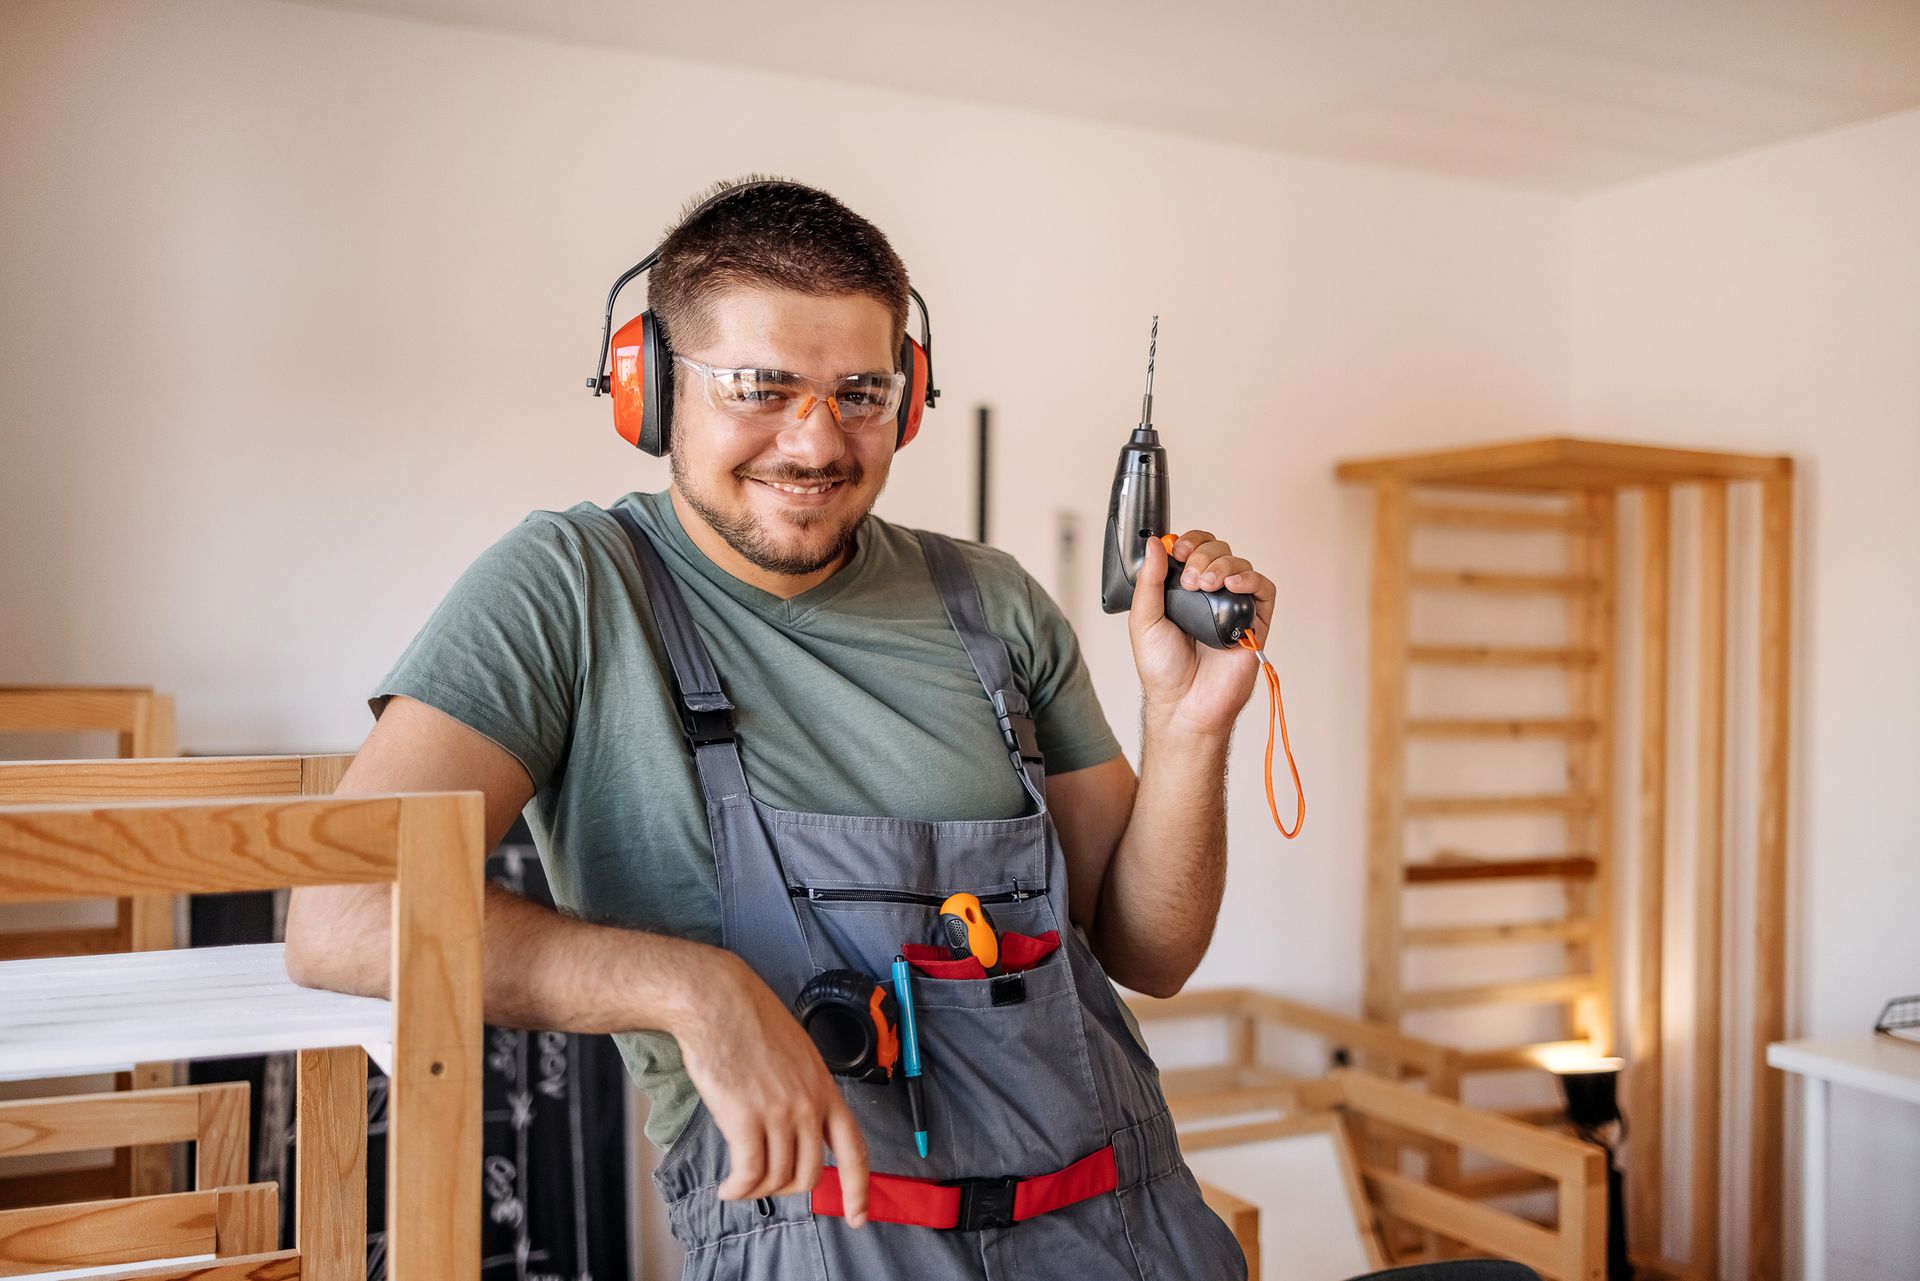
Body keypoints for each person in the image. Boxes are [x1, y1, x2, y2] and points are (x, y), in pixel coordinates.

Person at [286, 176, 1273, 1278]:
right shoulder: (569, 590)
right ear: (648, 386)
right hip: (827, 1249)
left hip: (1130, 1232)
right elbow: (345, 921)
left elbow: (1153, 953)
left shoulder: (992, 605)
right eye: (760, 386)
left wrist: (1189, 726)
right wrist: (694, 989)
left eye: (862, 391)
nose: (814, 444)